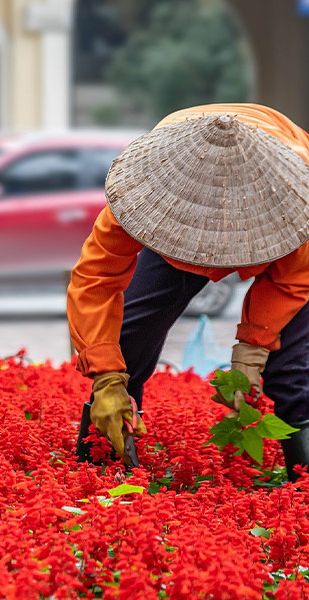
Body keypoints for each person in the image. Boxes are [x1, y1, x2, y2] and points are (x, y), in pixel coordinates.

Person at [68, 103, 309, 480]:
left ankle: (303, 486)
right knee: (126, 337)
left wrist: (251, 353)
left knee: (291, 370)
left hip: (275, 219)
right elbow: (95, 281)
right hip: (174, 231)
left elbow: (290, 282)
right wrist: (106, 377)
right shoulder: (143, 194)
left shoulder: (296, 199)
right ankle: (107, 465)